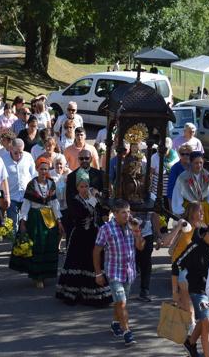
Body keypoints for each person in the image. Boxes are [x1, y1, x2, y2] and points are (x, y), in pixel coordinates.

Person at [56, 169, 113, 306]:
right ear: (77, 188)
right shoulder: (74, 200)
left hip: (93, 234)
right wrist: (94, 200)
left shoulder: (92, 198)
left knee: (94, 262)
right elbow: (81, 214)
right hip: (80, 236)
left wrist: (100, 201)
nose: (84, 189)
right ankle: (74, 293)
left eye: (86, 186)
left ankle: (94, 294)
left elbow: (102, 210)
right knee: (77, 262)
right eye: (81, 186)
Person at [93, 200, 145, 346]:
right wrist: (98, 273)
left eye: (128, 212)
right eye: (123, 212)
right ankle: (127, 332)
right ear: (115, 214)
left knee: (120, 302)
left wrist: (137, 232)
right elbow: (96, 251)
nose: (127, 215)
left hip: (129, 272)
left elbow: (140, 247)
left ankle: (116, 323)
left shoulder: (132, 227)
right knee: (121, 302)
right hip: (114, 272)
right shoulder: (106, 229)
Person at [176, 221, 209, 357]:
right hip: (197, 289)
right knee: (207, 323)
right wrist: (178, 288)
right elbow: (178, 263)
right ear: (208, 235)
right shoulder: (195, 247)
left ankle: (190, 342)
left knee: (205, 319)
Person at [13, 158, 64, 288]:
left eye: (46, 169)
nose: (43, 171)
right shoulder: (32, 184)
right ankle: (37, 276)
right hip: (35, 218)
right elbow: (26, 204)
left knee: (49, 244)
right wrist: (23, 221)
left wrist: (59, 220)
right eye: (41, 169)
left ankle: (46, 273)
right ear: (37, 169)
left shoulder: (51, 184)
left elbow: (54, 203)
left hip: (49, 219)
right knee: (37, 246)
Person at [0, 138, 36, 231]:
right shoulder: (3, 159)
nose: (19, 155)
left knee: (26, 223)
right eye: (16, 153)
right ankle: (14, 244)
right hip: (11, 197)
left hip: (26, 196)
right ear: (11, 148)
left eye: (21, 152)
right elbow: (0, 179)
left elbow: (34, 175)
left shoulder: (28, 157)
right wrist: (3, 196)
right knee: (13, 225)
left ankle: (25, 244)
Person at [172, 151, 209, 224]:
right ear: (191, 163)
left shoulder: (207, 175)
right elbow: (177, 196)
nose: (199, 165)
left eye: (201, 163)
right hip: (189, 210)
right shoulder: (183, 177)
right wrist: (180, 211)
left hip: (204, 211)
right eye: (196, 163)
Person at [149, 137, 179, 204]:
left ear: (170, 148)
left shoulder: (175, 155)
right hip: (158, 189)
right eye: (160, 147)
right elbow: (151, 173)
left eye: (166, 149)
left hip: (171, 188)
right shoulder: (154, 157)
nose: (162, 150)